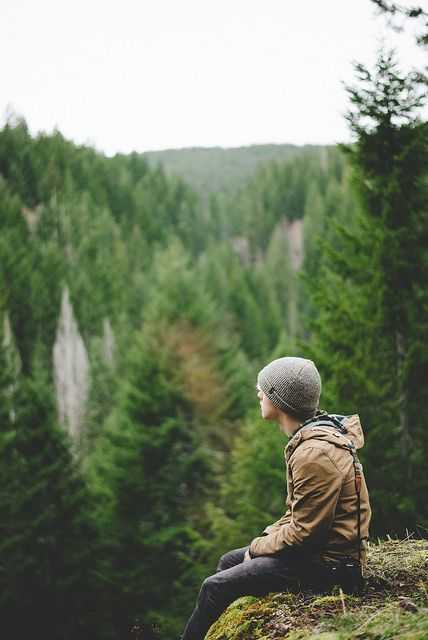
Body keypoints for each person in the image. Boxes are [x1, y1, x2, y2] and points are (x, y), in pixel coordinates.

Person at [179, 356, 371, 640]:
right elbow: (297, 514)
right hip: (322, 554)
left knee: (213, 587)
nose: (258, 392)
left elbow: (305, 533)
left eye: (265, 389)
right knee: (228, 561)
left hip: (334, 568)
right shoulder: (310, 440)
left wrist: (257, 549)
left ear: (280, 401)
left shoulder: (314, 455)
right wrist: (264, 541)